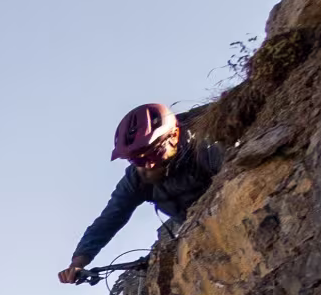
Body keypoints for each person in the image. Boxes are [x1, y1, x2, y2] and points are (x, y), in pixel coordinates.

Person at [58, 101, 223, 283]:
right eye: (136, 160)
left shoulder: (205, 146)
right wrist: (78, 262)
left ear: (174, 135)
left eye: (154, 153)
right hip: (197, 232)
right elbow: (109, 219)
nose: (148, 165)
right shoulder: (137, 179)